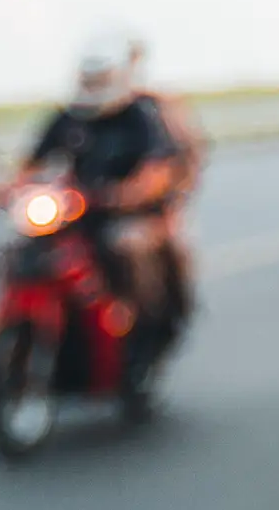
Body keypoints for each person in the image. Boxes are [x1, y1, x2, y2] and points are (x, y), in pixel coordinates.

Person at [22, 32, 197, 339]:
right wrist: (5, 190)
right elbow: (31, 164)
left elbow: (158, 169)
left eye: (100, 78)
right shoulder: (68, 117)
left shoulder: (142, 115)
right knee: (22, 247)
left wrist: (128, 193)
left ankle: (137, 327)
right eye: (89, 78)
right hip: (75, 214)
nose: (93, 85)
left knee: (127, 245)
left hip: (126, 213)